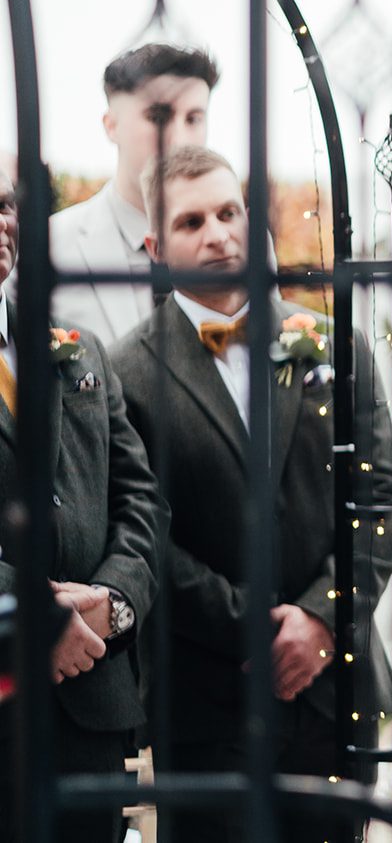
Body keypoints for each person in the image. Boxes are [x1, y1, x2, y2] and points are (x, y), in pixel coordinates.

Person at [111, 146, 392, 843]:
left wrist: (323, 620)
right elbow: (141, 531)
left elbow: (383, 497)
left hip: (335, 698)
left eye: (229, 211)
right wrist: (254, 629)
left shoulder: (337, 344)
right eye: (192, 220)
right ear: (156, 245)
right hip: (207, 708)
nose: (217, 233)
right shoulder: (124, 370)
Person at [0, 165, 168, 843]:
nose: (1, 221)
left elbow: (142, 501)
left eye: (6, 204)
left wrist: (112, 599)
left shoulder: (78, 349)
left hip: (88, 707)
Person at [26, 44, 218, 343]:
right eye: (157, 117)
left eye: (193, 118)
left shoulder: (244, 243)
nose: (180, 139)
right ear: (111, 125)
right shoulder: (46, 248)